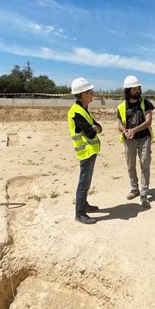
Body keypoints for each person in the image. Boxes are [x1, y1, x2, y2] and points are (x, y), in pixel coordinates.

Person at [67, 77, 102, 224]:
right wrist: (94, 128)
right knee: (83, 182)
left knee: (86, 182)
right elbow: (92, 132)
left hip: (91, 151)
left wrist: (95, 127)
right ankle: (79, 213)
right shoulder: (76, 112)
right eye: (90, 91)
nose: (93, 93)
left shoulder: (83, 110)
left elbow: (98, 127)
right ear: (83, 95)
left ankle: (84, 204)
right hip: (85, 152)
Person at [117, 75, 155, 208]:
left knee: (145, 164)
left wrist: (134, 130)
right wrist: (125, 131)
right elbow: (120, 124)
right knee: (130, 165)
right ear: (128, 91)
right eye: (134, 89)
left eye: (138, 88)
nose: (138, 91)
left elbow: (148, 121)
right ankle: (134, 189)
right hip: (129, 141)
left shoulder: (146, 103)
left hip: (144, 138)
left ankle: (144, 194)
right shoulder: (121, 107)